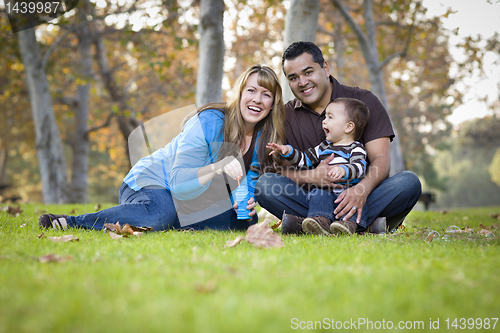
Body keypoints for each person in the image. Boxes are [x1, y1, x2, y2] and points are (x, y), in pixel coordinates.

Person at [39, 65, 286, 232]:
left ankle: (171, 220)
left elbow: (245, 182)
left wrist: (244, 200)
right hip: (152, 183)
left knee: (245, 220)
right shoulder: (210, 122)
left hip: (190, 199)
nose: (257, 99)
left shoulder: (264, 138)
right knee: (160, 214)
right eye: (251, 91)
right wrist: (217, 167)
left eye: (266, 95)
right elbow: (178, 181)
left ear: (273, 104)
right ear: (239, 94)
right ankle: (70, 222)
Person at [255, 41, 422, 235]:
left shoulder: (363, 102)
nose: (302, 82)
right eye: (293, 77)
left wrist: (361, 190)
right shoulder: (284, 116)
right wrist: (312, 177)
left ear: (325, 68)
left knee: (408, 183)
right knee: (265, 185)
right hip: (313, 200)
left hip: (362, 197)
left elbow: (381, 160)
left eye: (308, 72)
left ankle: (306, 226)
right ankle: (362, 227)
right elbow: (278, 172)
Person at [266, 97, 369, 236]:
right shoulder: (323, 148)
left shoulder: (356, 148)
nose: (324, 121)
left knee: (353, 201)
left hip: (346, 194)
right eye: (325, 117)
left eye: (330, 117)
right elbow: (304, 160)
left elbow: (359, 167)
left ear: (348, 127)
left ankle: (346, 225)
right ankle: (320, 221)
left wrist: (342, 170)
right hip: (325, 194)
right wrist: (288, 151)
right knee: (318, 193)